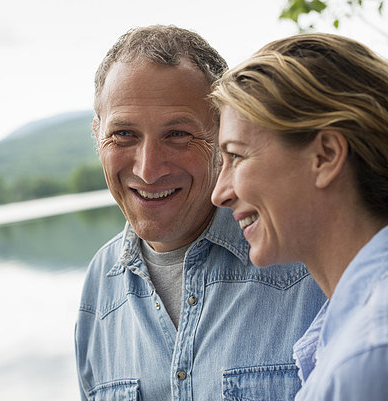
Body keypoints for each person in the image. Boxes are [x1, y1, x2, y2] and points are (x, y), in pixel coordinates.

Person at [75, 25, 326, 401]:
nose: (147, 168)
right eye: (124, 134)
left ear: (224, 136)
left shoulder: (305, 254)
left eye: (177, 134)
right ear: (97, 135)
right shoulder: (98, 288)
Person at [210, 33, 388, 400]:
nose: (220, 193)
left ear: (324, 155)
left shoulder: (365, 358)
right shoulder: (343, 338)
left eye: (236, 156)